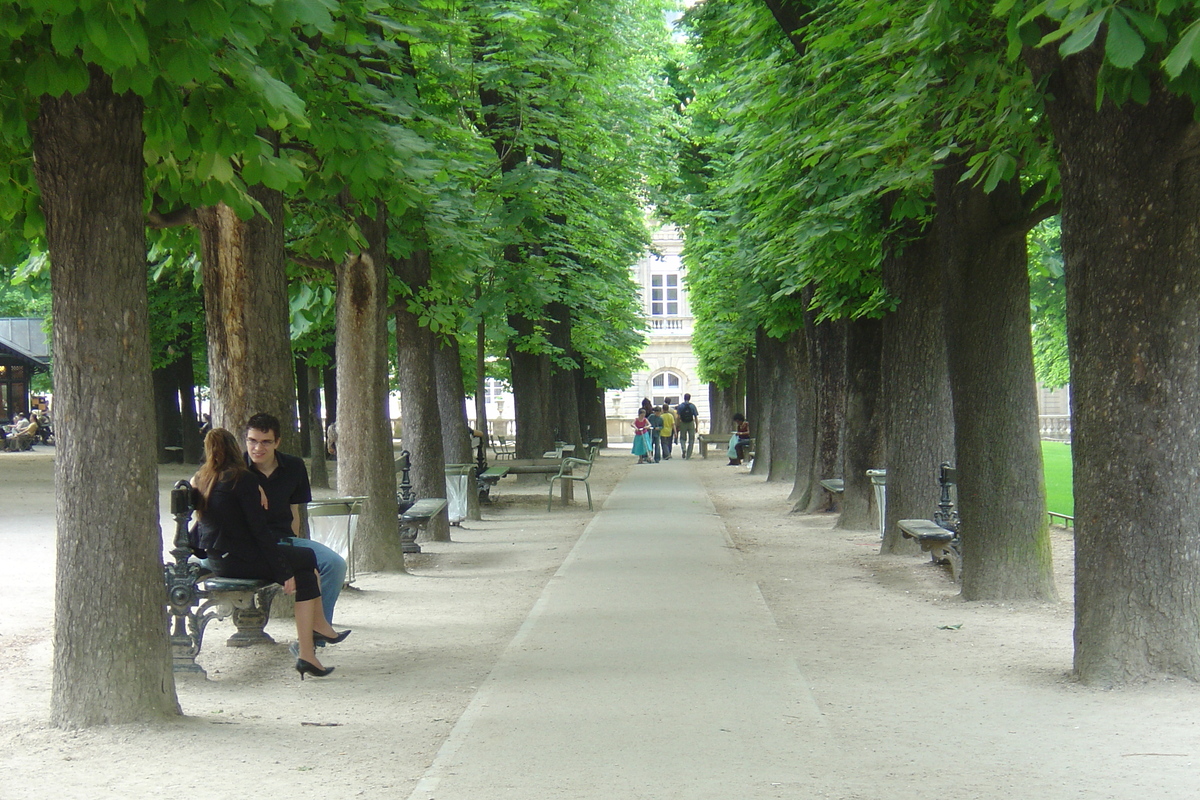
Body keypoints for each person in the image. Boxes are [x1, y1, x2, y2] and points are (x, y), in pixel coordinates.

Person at [193, 428, 347, 679]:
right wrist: (282, 571)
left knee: (307, 570)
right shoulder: (241, 480)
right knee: (306, 559)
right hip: (236, 560)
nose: (256, 447)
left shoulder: (203, 478)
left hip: (219, 557)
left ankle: (307, 656)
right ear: (236, 447)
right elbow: (258, 531)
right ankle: (316, 630)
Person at [244, 413, 348, 626]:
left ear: (277, 442)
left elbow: (295, 512)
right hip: (249, 545)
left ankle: (318, 631)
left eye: (266, 442)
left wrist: (295, 551)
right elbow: (199, 481)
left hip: (284, 540)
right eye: (252, 441)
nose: (257, 448)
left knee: (335, 564)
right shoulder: (235, 468)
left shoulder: (294, 467)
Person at [675, 393, 699, 459]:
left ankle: (683, 449)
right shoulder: (692, 406)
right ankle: (688, 455)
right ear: (690, 398)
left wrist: (678, 425)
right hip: (691, 423)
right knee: (691, 439)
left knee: (682, 438)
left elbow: (678, 417)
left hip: (683, 423)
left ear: (684, 398)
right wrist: (696, 427)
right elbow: (696, 417)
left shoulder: (680, 406)